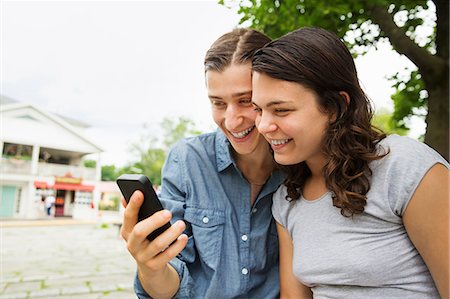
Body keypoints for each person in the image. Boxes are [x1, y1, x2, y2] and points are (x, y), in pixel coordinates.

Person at [251, 27, 449, 298]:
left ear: (335, 107)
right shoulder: (287, 199)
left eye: (281, 110)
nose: (263, 125)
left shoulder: (406, 168)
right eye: (259, 109)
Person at [120, 28, 284, 299]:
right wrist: (150, 267)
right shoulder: (186, 161)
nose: (231, 121)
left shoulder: (298, 164)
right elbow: (171, 282)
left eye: (245, 101)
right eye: (218, 103)